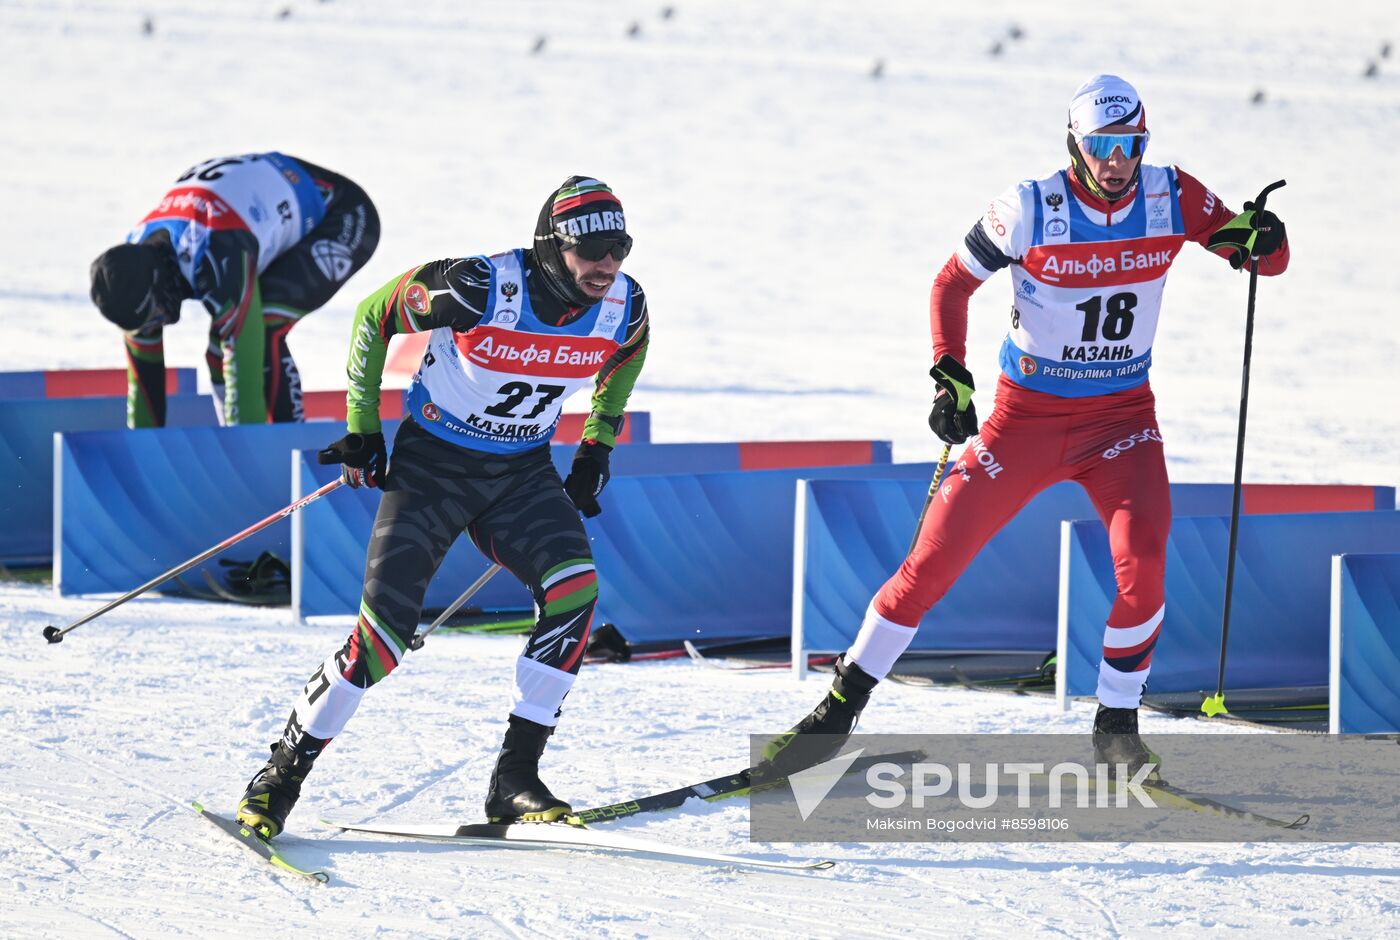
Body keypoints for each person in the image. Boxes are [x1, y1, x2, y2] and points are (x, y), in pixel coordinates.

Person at [765, 75, 1289, 776]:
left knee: (1147, 561)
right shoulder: (1031, 208)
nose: (1116, 161)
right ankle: (836, 710)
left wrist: (1263, 237)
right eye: (1101, 146)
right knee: (933, 563)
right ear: (1074, 143)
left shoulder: (1173, 195)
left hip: (1121, 421)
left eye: (1129, 145)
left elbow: (1261, 257)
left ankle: (1115, 726)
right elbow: (951, 283)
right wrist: (949, 373)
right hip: (1024, 421)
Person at [236, 176, 649, 838]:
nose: (606, 264)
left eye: (619, 248)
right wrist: (364, 425)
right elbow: (374, 316)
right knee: (383, 641)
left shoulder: (623, 307)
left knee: (576, 594)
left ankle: (514, 780)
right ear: (551, 246)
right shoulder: (478, 285)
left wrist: (596, 446)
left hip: (520, 474)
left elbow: (625, 361)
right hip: (434, 468)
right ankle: (279, 777)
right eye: (590, 249)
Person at [88, 152, 379, 427]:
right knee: (221, 348)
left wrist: (247, 448)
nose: (156, 325)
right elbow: (144, 384)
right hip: (254, 209)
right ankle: (261, 444)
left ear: (158, 282)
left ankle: (288, 446)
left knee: (262, 326)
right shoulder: (134, 268)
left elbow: (245, 366)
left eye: (154, 316)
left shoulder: (215, 254)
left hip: (341, 213)